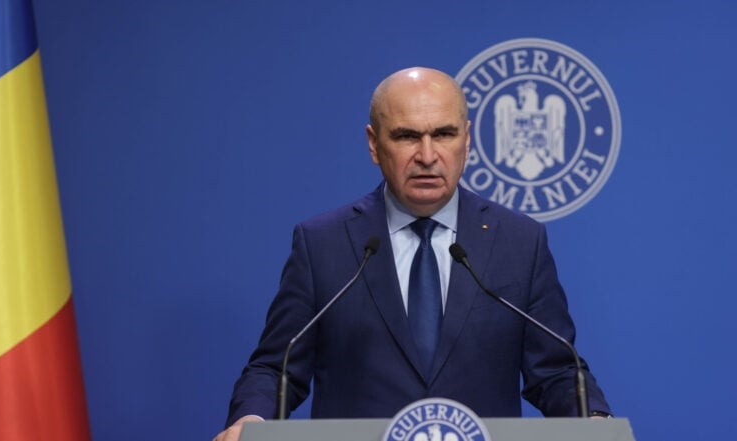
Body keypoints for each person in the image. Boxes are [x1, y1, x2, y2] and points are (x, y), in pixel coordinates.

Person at [213, 67, 611, 441]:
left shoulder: (519, 241)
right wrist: (252, 421)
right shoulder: (323, 243)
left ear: (467, 139)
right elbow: (277, 369)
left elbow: (557, 371)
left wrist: (594, 421)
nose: (427, 155)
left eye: (444, 134)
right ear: (374, 144)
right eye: (406, 136)